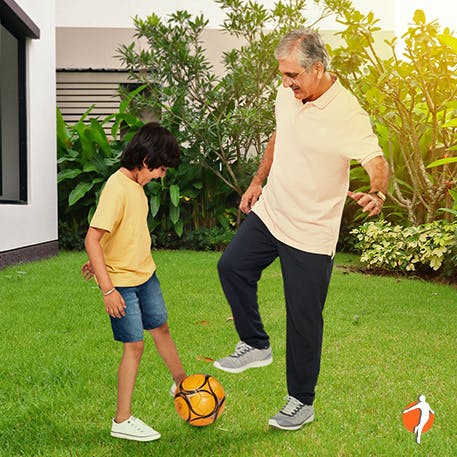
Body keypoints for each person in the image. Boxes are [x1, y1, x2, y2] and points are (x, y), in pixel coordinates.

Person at [213, 28, 389, 431]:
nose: (285, 83)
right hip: (274, 211)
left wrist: (377, 191)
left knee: (304, 317)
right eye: (283, 75)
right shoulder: (287, 95)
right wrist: (258, 180)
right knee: (232, 267)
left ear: (317, 68)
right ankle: (256, 344)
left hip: (312, 230)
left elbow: (374, 159)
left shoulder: (348, 113)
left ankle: (300, 402)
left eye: (292, 75)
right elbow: (279, 134)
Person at [81, 122, 186, 442]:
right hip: (123, 284)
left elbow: (118, 234)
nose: (162, 176)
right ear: (145, 161)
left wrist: (101, 259)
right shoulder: (117, 187)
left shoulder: (135, 187)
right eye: (161, 169)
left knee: (161, 329)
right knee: (134, 346)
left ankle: (182, 383)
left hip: (145, 275)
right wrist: (108, 288)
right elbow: (92, 238)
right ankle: (122, 420)